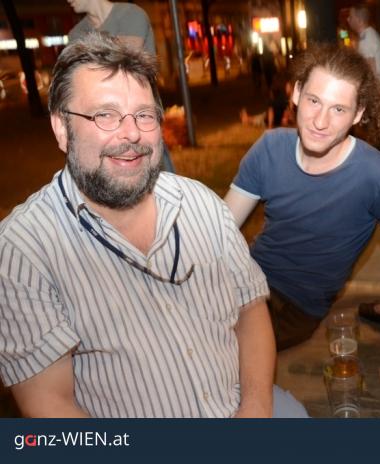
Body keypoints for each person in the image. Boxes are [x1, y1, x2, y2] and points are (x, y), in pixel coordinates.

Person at [0, 34, 306, 418]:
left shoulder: (202, 204)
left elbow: (251, 310)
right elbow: (51, 405)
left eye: (144, 115)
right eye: (105, 115)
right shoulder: (22, 253)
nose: (131, 134)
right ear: (62, 128)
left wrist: (256, 409)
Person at [225, 43, 380, 350]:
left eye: (338, 109)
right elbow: (222, 228)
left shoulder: (378, 175)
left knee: (222, 348)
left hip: (295, 305)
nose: (320, 121)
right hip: (245, 276)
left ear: (358, 114)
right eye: (314, 100)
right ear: (296, 93)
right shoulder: (270, 148)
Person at [66, 0, 176, 173]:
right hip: (101, 123)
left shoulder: (131, 15)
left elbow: (124, 67)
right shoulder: (77, 33)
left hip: (140, 118)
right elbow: (74, 80)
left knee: (157, 173)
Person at [347, 4, 380, 84]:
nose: (348, 19)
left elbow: (371, 70)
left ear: (359, 21)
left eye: (351, 17)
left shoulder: (367, 38)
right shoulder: (369, 34)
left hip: (376, 85)